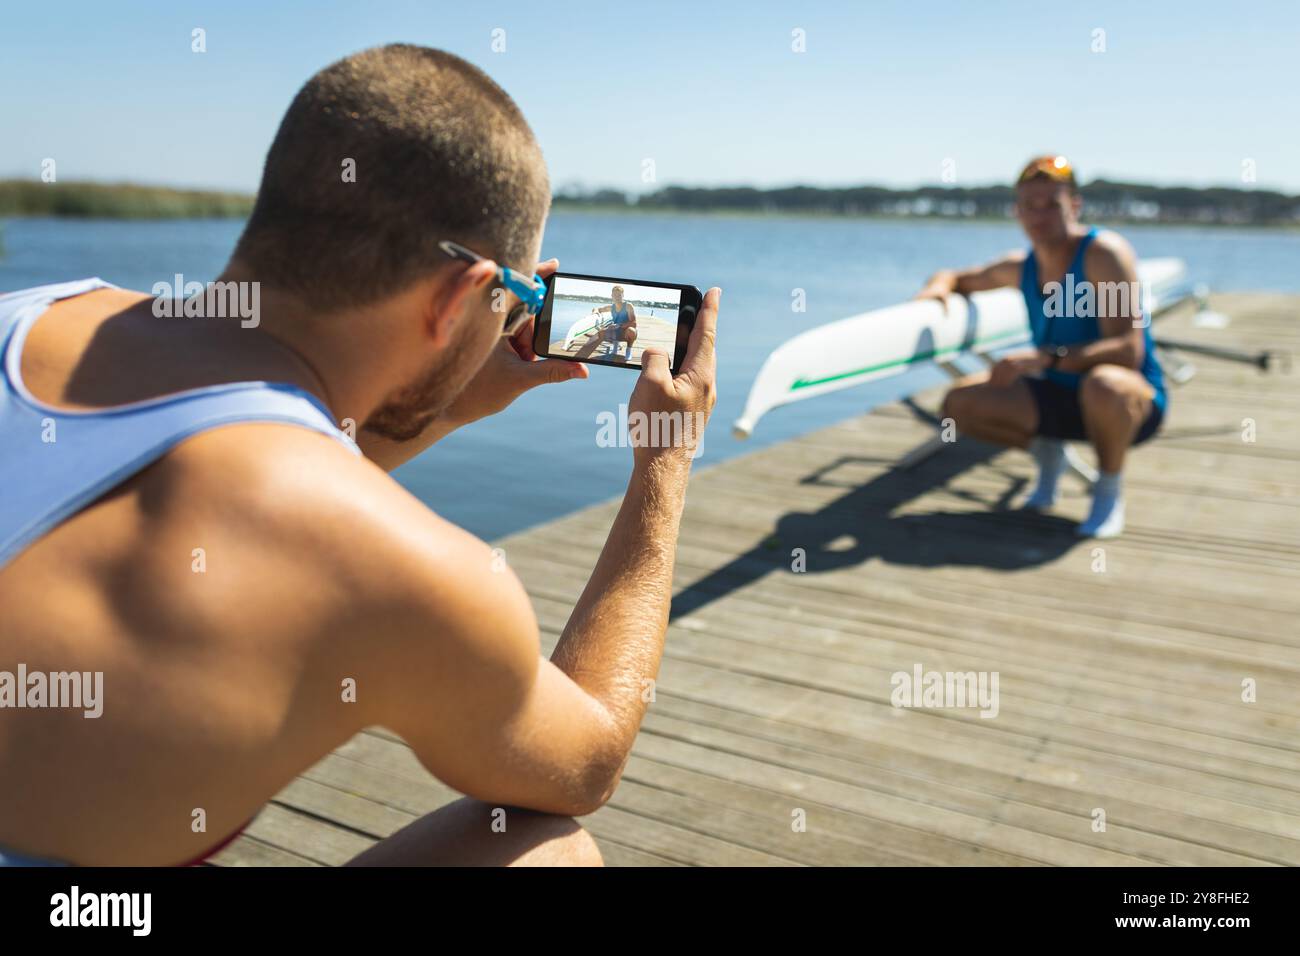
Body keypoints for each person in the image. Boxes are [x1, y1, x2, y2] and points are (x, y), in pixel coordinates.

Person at [0, 44, 719, 866]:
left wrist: (444, 404)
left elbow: (237, 470)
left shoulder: (31, 310)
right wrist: (664, 461)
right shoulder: (404, 571)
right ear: (459, 297)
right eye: (515, 298)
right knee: (548, 852)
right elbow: (585, 763)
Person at [915, 155, 1166, 538]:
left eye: (1052, 204)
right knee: (958, 405)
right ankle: (1049, 453)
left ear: (1074, 206)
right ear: (1016, 212)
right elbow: (955, 276)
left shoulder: (1104, 255)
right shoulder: (1021, 267)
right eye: (1030, 206)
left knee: (1105, 384)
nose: (1040, 216)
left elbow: (1128, 350)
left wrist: (1046, 358)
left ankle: (1108, 490)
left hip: (1126, 401)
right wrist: (935, 290)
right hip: (1057, 392)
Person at [593, 285, 637, 360]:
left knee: (632, 331)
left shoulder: (628, 306)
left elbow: (634, 323)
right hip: (615, 331)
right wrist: (595, 312)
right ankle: (615, 345)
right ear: (612, 296)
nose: (617, 297)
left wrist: (618, 325)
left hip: (625, 331)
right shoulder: (611, 307)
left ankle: (628, 350)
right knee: (601, 332)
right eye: (615, 295)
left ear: (623, 295)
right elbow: (597, 309)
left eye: (619, 295)